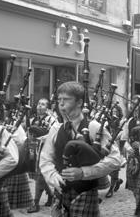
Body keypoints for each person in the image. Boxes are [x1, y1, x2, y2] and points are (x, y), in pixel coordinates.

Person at [40, 81, 121, 216]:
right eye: (59, 99)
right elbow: (45, 160)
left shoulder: (94, 127)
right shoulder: (55, 129)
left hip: (86, 194)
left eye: (66, 99)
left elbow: (115, 159)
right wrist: (54, 177)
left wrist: (84, 172)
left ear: (79, 102)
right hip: (61, 194)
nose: (61, 104)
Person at [27, 98, 57, 213]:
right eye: (39, 104)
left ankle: (35, 203)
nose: (40, 106)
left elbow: (52, 135)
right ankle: (51, 195)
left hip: (45, 150)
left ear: (48, 108)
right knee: (39, 175)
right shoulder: (33, 119)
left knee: (40, 174)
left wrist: (41, 138)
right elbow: (29, 133)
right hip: (33, 150)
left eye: (43, 104)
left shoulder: (52, 120)